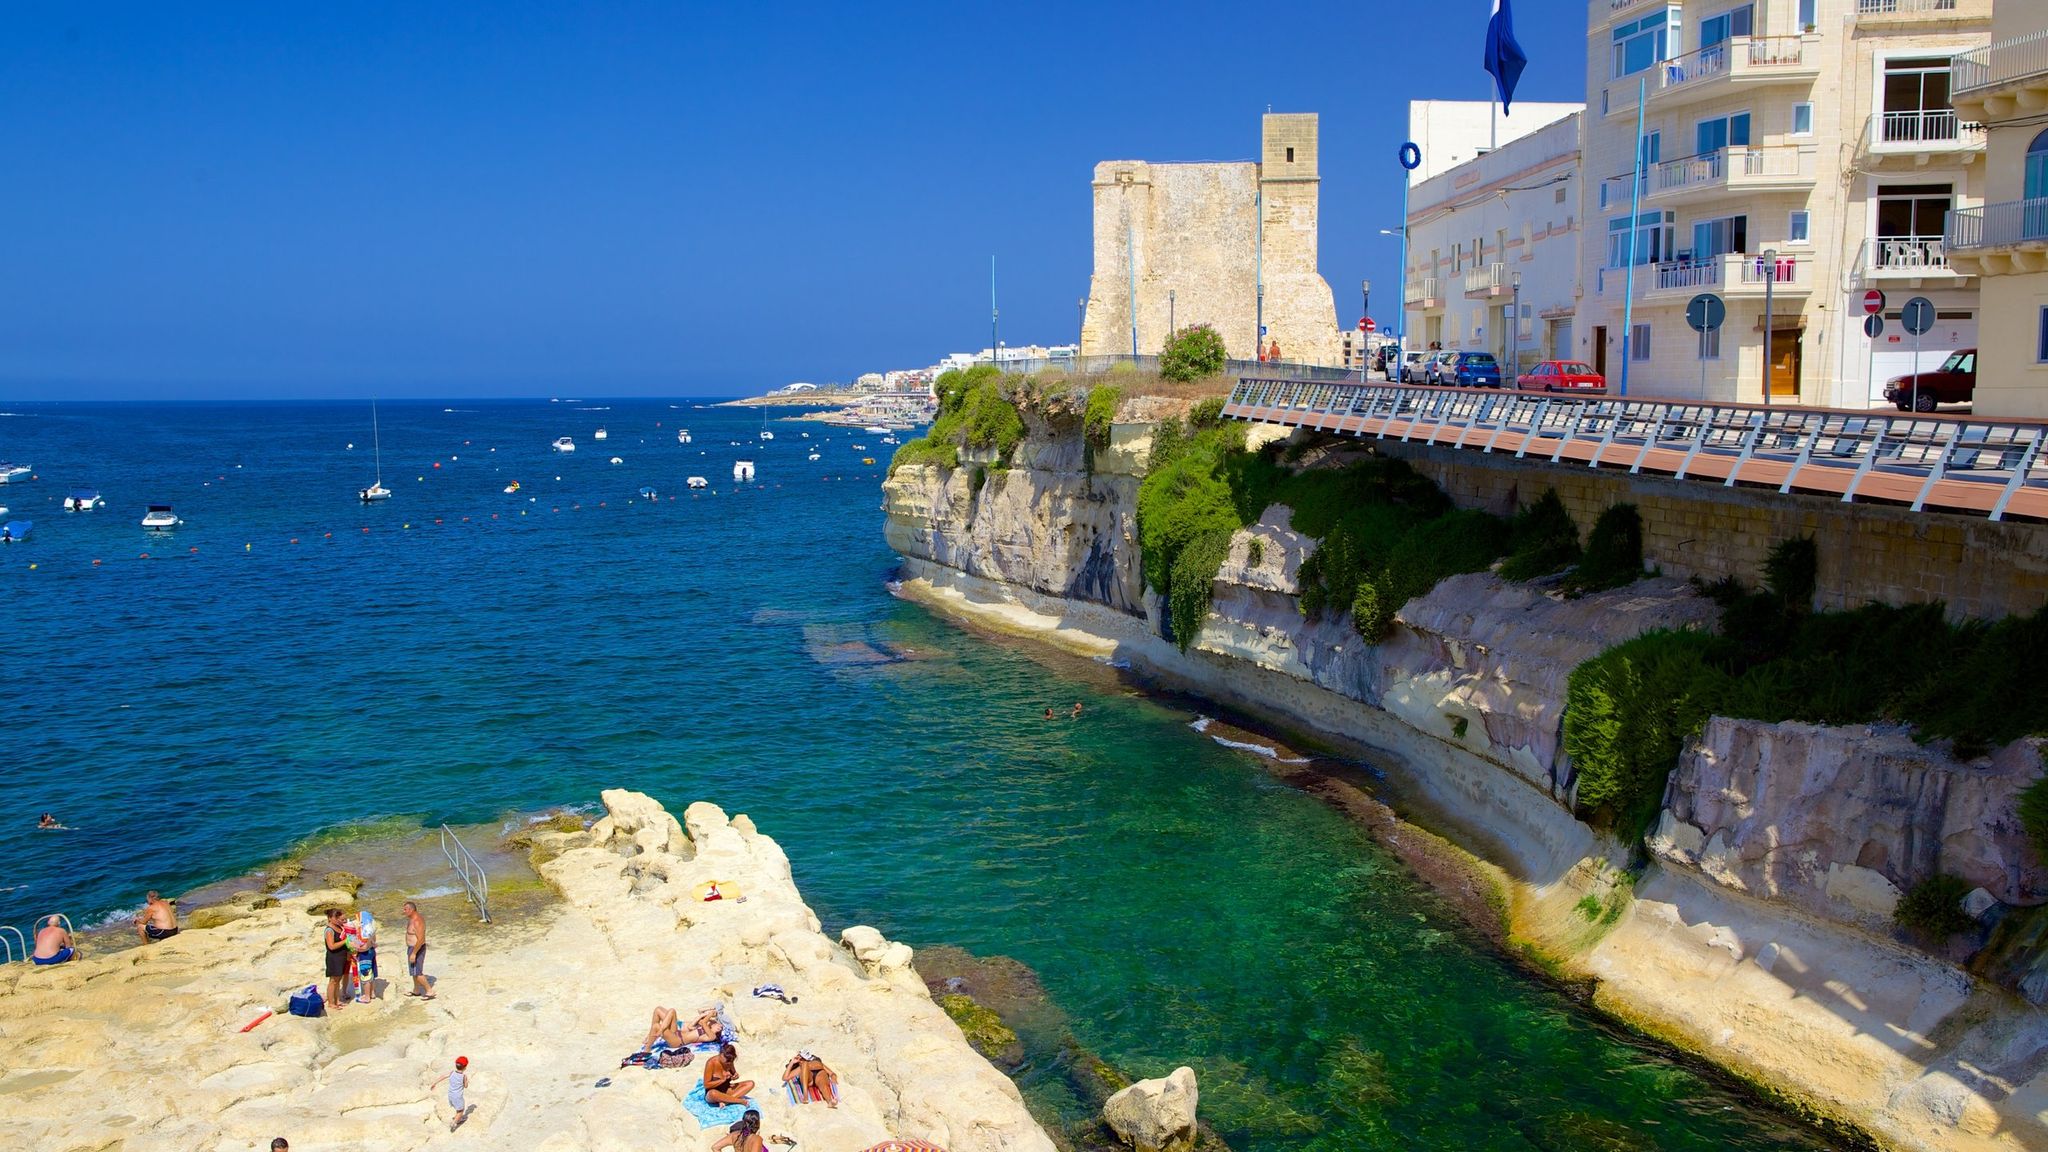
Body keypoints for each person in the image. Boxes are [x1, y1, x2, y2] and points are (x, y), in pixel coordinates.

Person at [641, 1005, 721, 1051]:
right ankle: (655, 1034)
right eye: (718, 1025)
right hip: (677, 1032)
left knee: (656, 1026)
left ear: (718, 1030)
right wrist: (711, 1011)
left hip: (677, 1041)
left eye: (719, 1026)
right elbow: (702, 1017)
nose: (719, 1025)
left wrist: (710, 1014)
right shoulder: (708, 1026)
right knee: (667, 1010)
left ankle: (647, 1049)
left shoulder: (712, 1036)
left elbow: (704, 1023)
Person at [430, 1055, 470, 1132]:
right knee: (461, 1110)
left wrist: (435, 1083)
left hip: (451, 1095)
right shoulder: (464, 1076)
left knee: (457, 1108)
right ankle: (454, 1122)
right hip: (457, 1097)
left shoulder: (452, 1073)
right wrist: (467, 1081)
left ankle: (458, 1118)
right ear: (465, 1067)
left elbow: (443, 1076)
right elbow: (466, 1086)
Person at [322, 908, 351, 1010]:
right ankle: (331, 1003)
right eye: (336, 918)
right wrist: (346, 941)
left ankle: (337, 1000)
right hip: (334, 958)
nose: (339, 920)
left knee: (338, 980)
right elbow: (331, 946)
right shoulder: (329, 930)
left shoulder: (339, 927)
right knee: (333, 981)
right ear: (330, 918)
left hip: (342, 957)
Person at [403, 900, 433, 999]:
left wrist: (414, 953)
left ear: (411, 909)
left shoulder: (417, 921)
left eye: (405, 909)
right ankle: (416, 990)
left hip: (416, 949)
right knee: (413, 971)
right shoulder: (411, 919)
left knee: (417, 972)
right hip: (412, 948)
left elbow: (421, 939)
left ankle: (429, 990)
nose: (404, 911)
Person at [352, 908, 379, 1004]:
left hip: (365, 955)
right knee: (371, 974)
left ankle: (367, 997)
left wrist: (355, 948)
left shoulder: (365, 933)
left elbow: (364, 948)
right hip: (371, 953)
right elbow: (373, 943)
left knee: (365, 975)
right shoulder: (371, 930)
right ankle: (372, 993)